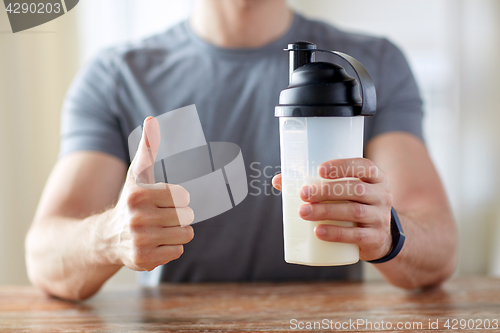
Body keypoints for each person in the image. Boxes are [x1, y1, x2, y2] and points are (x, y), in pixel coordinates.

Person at [26, 0, 457, 301]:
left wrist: (388, 233)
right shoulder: (117, 75)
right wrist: (110, 236)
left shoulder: (366, 67)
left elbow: (439, 249)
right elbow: (45, 259)